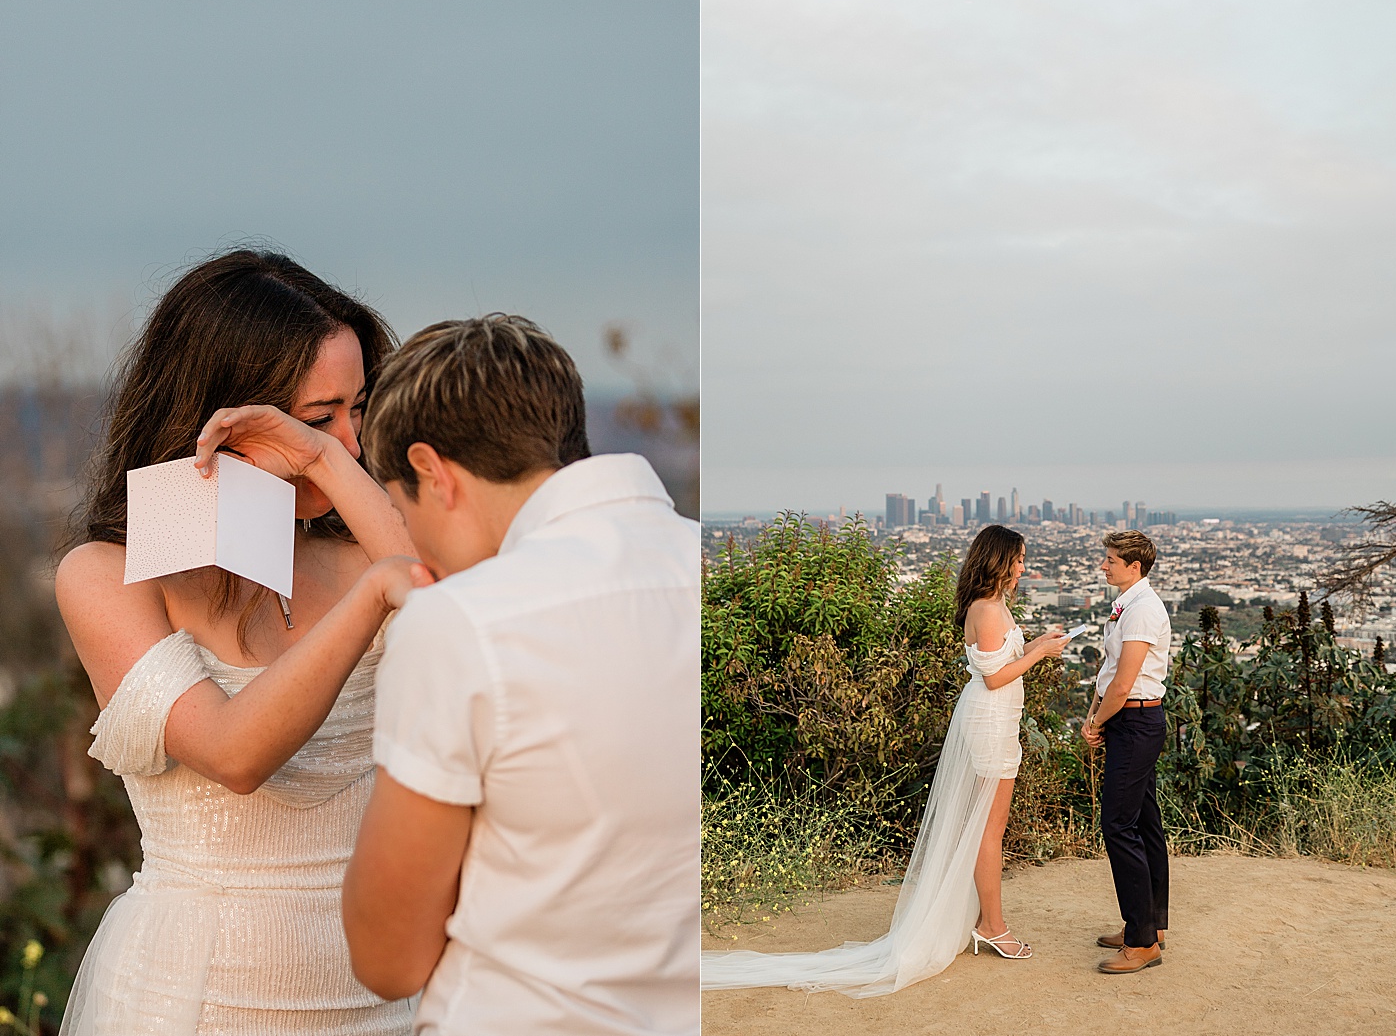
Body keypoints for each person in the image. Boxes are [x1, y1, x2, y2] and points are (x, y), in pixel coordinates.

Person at [55, 249, 428, 1035]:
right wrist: (368, 600)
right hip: (201, 1000)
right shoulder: (109, 576)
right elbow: (232, 753)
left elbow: (432, 589)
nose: (352, 445)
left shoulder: (370, 552)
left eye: (359, 410)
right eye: (318, 417)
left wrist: (322, 455)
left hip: (388, 998)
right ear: (220, 412)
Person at [340, 315, 700, 1035]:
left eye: (401, 510)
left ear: (432, 472)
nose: (412, 544)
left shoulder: (459, 622)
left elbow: (388, 959)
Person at [700, 524, 1067, 997]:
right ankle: (992, 926)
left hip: (997, 720)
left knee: (985, 827)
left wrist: (1037, 645)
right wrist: (1039, 654)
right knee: (987, 830)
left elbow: (996, 667)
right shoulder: (987, 608)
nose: (1022, 567)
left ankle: (984, 919)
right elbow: (997, 680)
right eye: (1017, 560)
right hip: (992, 722)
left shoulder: (992, 606)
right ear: (998, 561)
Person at [1081, 530, 1171, 974]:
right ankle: (1144, 925)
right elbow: (1109, 670)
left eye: (1111, 561)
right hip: (1127, 719)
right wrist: (1094, 713)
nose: (1104, 566)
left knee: (1118, 824)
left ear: (1134, 566)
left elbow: (1124, 681)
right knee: (1144, 823)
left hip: (1135, 721)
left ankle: (1142, 943)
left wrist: (1097, 722)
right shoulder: (1128, 606)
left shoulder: (1142, 611)